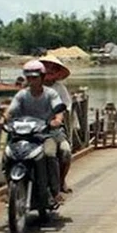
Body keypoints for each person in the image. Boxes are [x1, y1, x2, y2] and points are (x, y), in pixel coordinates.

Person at [0, 60, 65, 206]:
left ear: (42, 77)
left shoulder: (51, 94)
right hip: (23, 134)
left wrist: (57, 120)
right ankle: (9, 189)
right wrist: (3, 119)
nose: (31, 81)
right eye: (29, 78)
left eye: (35, 77)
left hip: (45, 134)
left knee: (50, 154)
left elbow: (59, 109)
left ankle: (55, 191)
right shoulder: (22, 95)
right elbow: (11, 110)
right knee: (7, 155)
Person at [40, 56, 74, 193]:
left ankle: (60, 182)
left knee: (65, 151)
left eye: (53, 69)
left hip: (52, 128)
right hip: (31, 128)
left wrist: (57, 119)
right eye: (46, 68)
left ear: (57, 72)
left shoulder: (60, 89)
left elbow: (65, 106)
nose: (49, 71)